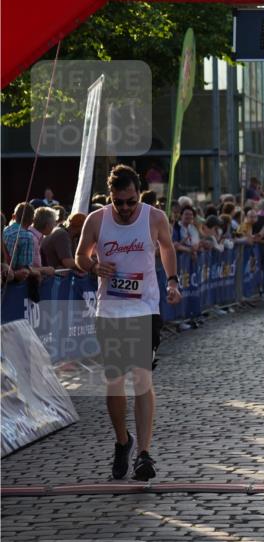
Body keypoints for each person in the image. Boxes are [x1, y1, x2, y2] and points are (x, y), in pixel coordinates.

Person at [75, 163, 182, 481]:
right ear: (110, 197)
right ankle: (123, 441)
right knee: (114, 384)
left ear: (138, 195)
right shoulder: (97, 220)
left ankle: (144, 454)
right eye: (119, 202)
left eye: (130, 201)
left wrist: (173, 281)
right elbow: (80, 255)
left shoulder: (154, 217)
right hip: (109, 311)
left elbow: (167, 248)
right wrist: (94, 266)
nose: (124, 208)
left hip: (143, 309)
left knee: (142, 379)